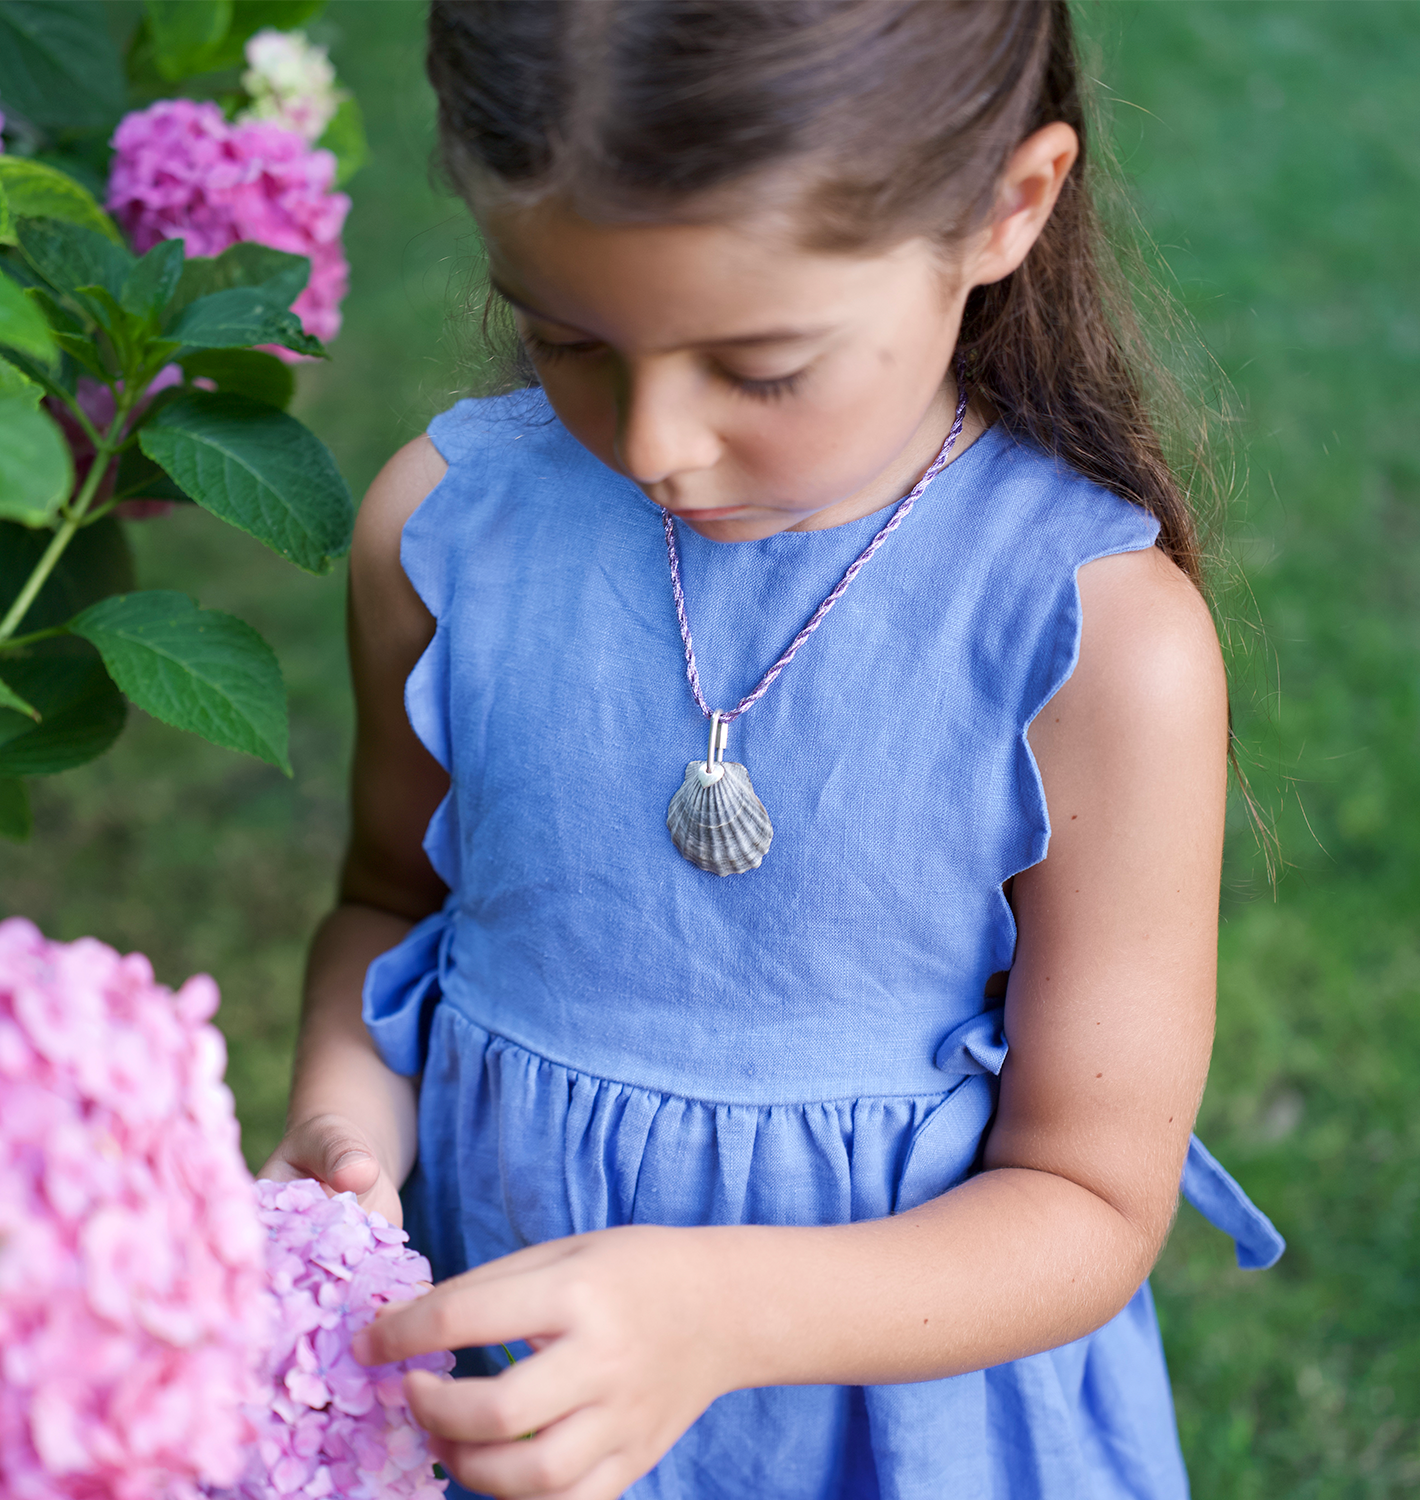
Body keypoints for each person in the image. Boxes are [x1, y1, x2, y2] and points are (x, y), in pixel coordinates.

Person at [260, 1, 1285, 1495]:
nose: (656, 444)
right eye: (570, 339)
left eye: (763, 366)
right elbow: (387, 907)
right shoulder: (443, 533)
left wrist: (720, 1317)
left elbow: (1088, 1196)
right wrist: (342, 1133)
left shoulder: (1096, 645)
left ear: (1007, 205)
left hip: (893, 1432)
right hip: (513, 1382)